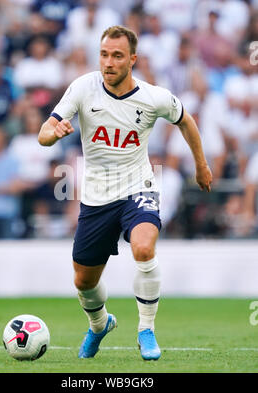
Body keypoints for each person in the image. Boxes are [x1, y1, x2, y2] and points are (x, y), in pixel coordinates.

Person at [38, 25, 212, 361]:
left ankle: (146, 329)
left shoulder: (152, 97)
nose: (108, 62)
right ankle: (100, 324)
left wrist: (201, 166)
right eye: (104, 54)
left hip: (139, 187)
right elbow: (45, 132)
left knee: (144, 249)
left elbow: (185, 120)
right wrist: (53, 133)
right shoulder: (83, 88)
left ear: (132, 59)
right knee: (83, 282)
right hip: (96, 197)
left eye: (117, 56)